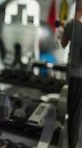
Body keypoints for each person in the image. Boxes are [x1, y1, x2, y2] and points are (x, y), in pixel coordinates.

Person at [61, 1, 82, 148]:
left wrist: (63, 31)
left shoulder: (70, 25)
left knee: (69, 111)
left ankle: (70, 143)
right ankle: (72, 143)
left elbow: (63, 44)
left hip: (72, 75)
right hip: (80, 75)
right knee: (76, 113)